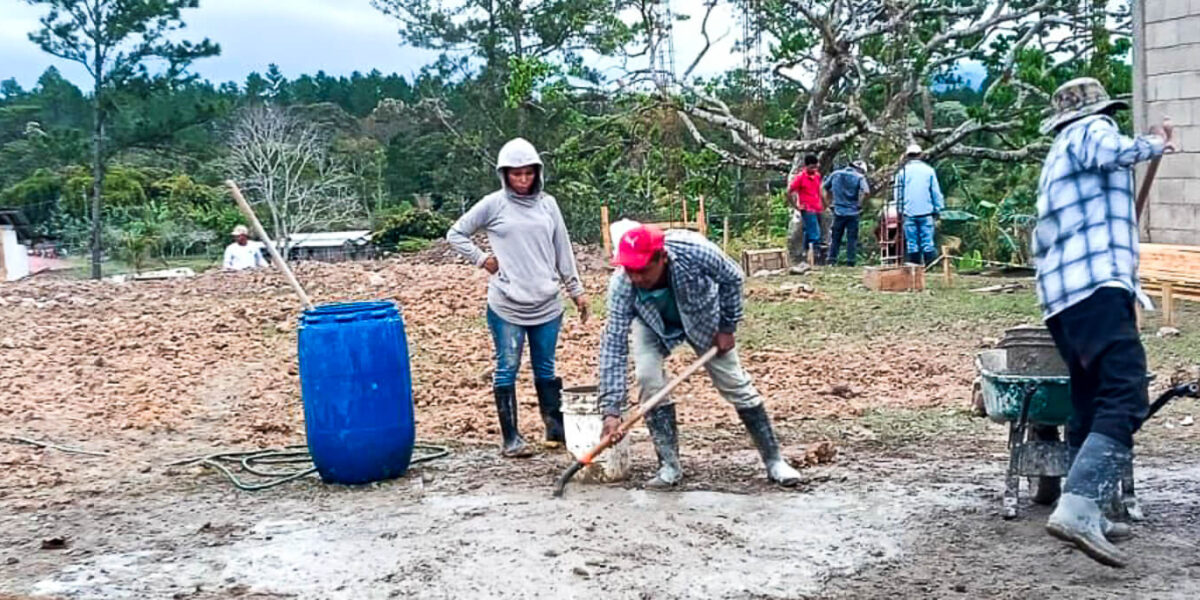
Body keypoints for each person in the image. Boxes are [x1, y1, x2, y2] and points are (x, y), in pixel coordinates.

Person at [1034, 77, 1178, 568]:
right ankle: (1079, 507)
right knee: (1125, 391)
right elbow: (1111, 150)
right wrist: (1155, 142)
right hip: (1096, 285)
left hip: (1062, 296)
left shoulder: (1058, 156)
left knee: (1090, 396)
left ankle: (1085, 505)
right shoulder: (1090, 131)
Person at [597, 224, 802, 488]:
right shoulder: (621, 284)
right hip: (652, 323)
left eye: (643, 270)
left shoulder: (695, 251)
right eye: (630, 269)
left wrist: (727, 326)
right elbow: (613, 344)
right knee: (647, 378)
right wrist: (611, 411)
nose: (635, 277)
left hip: (703, 317)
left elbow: (733, 277)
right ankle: (669, 466)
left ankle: (774, 461)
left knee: (734, 383)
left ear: (662, 257)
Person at [447, 137, 590, 458]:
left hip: (547, 302)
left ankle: (555, 430)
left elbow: (562, 249)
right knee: (507, 365)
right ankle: (511, 438)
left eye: (528, 173)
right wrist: (481, 259)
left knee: (546, 367)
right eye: (516, 174)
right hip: (507, 303)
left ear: (537, 172)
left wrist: (576, 290)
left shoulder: (548, 205)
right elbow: (455, 234)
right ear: (504, 175)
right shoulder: (494, 204)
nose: (523, 180)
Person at [892, 144, 944, 265]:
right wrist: (938, 209)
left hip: (908, 212)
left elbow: (898, 194)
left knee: (912, 243)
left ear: (907, 156)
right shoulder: (929, 171)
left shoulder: (902, 173)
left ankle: (914, 267)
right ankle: (930, 267)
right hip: (926, 212)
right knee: (928, 242)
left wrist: (900, 210)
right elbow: (935, 192)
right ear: (920, 155)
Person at [823, 160, 870, 266]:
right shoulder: (859, 177)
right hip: (853, 212)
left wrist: (828, 203)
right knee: (851, 238)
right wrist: (860, 204)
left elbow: (824, 188)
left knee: (835, 237)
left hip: (838, 211)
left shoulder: (835, 174)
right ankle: (850, 261)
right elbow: (866, 192)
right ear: (860, 169)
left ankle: (832, 260)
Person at [787, 154, 823, 264]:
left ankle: (806, 253)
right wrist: (795, 206)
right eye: (812, 167)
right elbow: (789, 191)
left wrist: (824, 204)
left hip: (817, 207)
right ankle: (815, 255)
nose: (814, 170)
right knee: (815, 233)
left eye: (815, 167)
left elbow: (819, 191)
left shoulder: (817, 176)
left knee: (809, 231)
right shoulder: (800, 177)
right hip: (807, 208)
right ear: (806, 166)